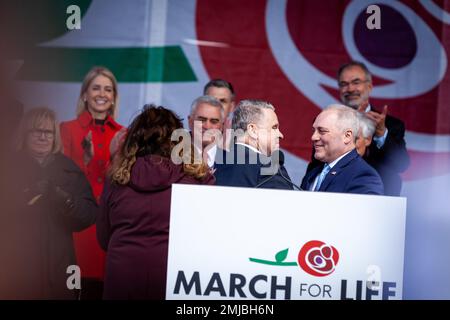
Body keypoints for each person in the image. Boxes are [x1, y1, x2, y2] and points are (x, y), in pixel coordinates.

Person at [97, 105, 214, 300]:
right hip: (174, 282)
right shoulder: (196, 179)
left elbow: (103, 237)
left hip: (121, 279)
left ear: (135, 139)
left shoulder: (116, 179)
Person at [0, 107, 97, 299]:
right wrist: (23, 196)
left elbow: (91, 213)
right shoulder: (7, 167)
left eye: (48, 132)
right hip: (17, 269)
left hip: (61, 268)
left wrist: (67, 200)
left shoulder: (69, 169)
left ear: (55, 136)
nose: (43, 137)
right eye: (37, 130)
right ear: (25, 134)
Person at [60, 66, 124, 297]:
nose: (102, 94)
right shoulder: (66, 130)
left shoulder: (123, 134)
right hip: (77, 228)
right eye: (96, 87)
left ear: (114, 97)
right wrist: (84, 162)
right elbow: (61, 180)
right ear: (85, 94)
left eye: (108, 89)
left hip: (107, 229)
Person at [337, 61, 410, 195]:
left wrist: (381, 133)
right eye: (344, 84)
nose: (350, 89)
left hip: (380, 200)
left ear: (369, 87)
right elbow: (317, 165)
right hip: (339, 198)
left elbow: (401, 165)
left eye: (356, 82)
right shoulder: (330, 123)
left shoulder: (392, 125)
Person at [300, 105, 384, 195]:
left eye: (322, 131)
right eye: (314, 131)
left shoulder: (363, 176)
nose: (313, 137)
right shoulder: (314, 172)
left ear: (347, 136)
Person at [214, 100, 294, 189]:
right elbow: (287, 202)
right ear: (252, 130)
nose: (280, 135)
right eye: (274, 127)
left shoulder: (216, 164)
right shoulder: (268, 167)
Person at [188, 95, 224, 168]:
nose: (207, 126)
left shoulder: (232, 163)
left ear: (222, 126)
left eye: (214, 121)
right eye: (201, 120)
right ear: (190, 121)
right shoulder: (172, 156)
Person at [203, 79, 236, 150]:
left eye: (223, 101)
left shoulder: (242, 144)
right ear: (202, 103)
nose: (217, 105)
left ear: (231, 107)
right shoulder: (187, 142)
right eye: (212, 100)